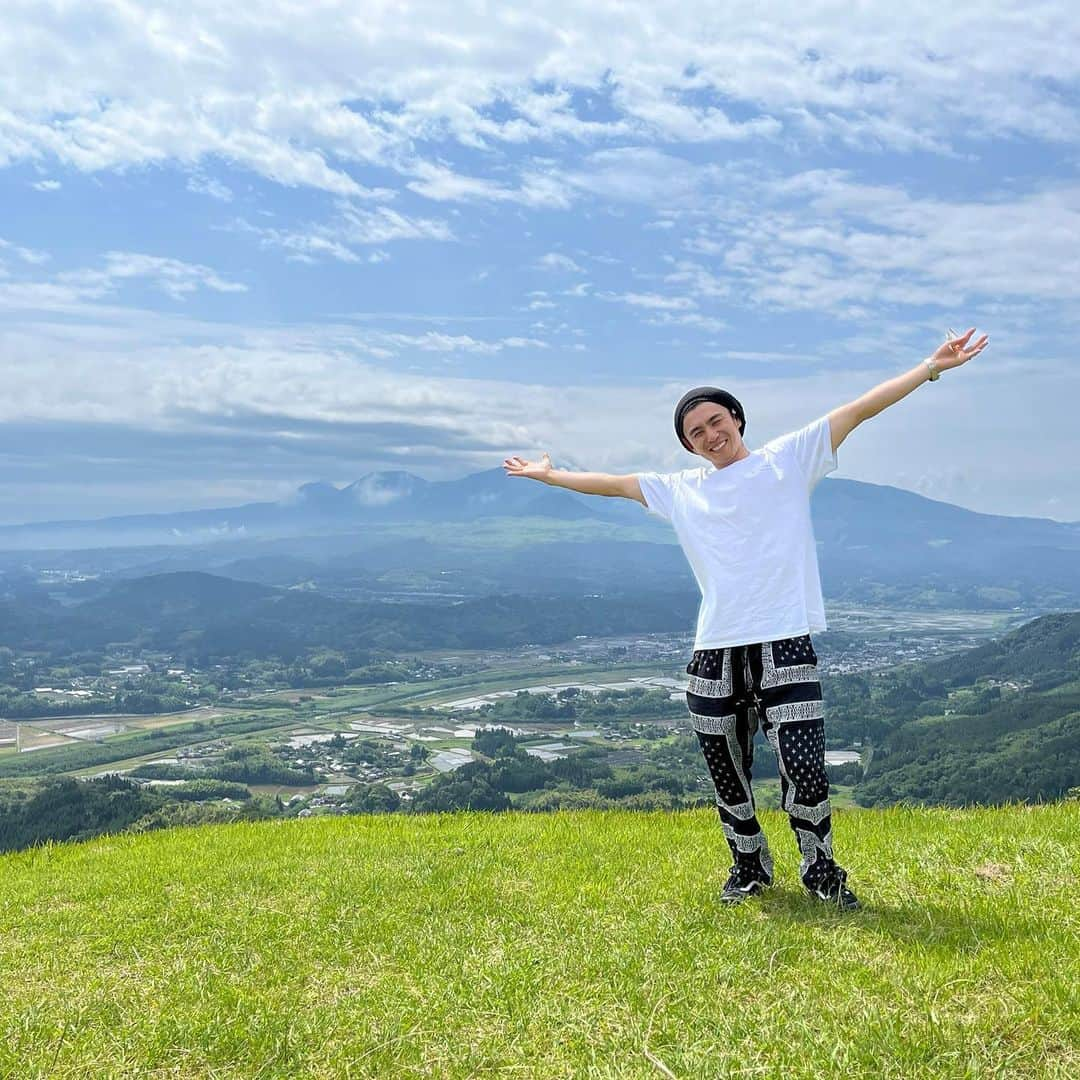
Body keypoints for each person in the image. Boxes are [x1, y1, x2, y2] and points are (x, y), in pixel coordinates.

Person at [503, 328, 989, 909]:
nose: (709, 435)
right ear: (688, 446)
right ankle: (749, 865)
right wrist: (551, 475)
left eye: (715, 421)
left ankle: (821, 870)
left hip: (784, 640)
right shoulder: (680, 489)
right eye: (695, 433)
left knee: (804, 767)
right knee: (725, 769)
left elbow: (861, 408)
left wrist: (929, 367)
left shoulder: (789, 460)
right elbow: (611, 485)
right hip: (715, 648)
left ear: (736, 417)